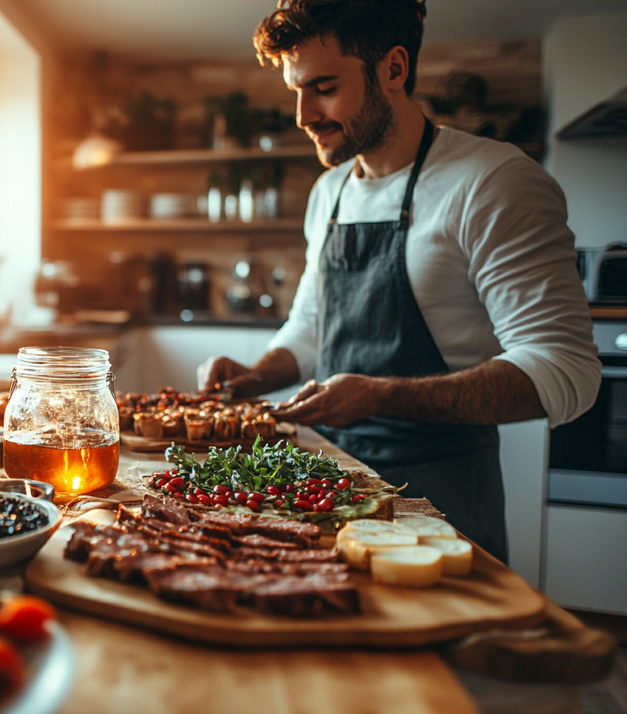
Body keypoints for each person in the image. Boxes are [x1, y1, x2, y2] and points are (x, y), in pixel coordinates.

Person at [198, 0, 600, 562]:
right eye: (296, 90)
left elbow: (565, 370)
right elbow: (312, 329)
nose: (302, 115)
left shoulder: (492, 182)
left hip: (442, 496)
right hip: (328, 482)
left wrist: (380, 396)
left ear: (393, 69)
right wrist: (257, 374)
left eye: (324, 87)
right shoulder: (330, 193)